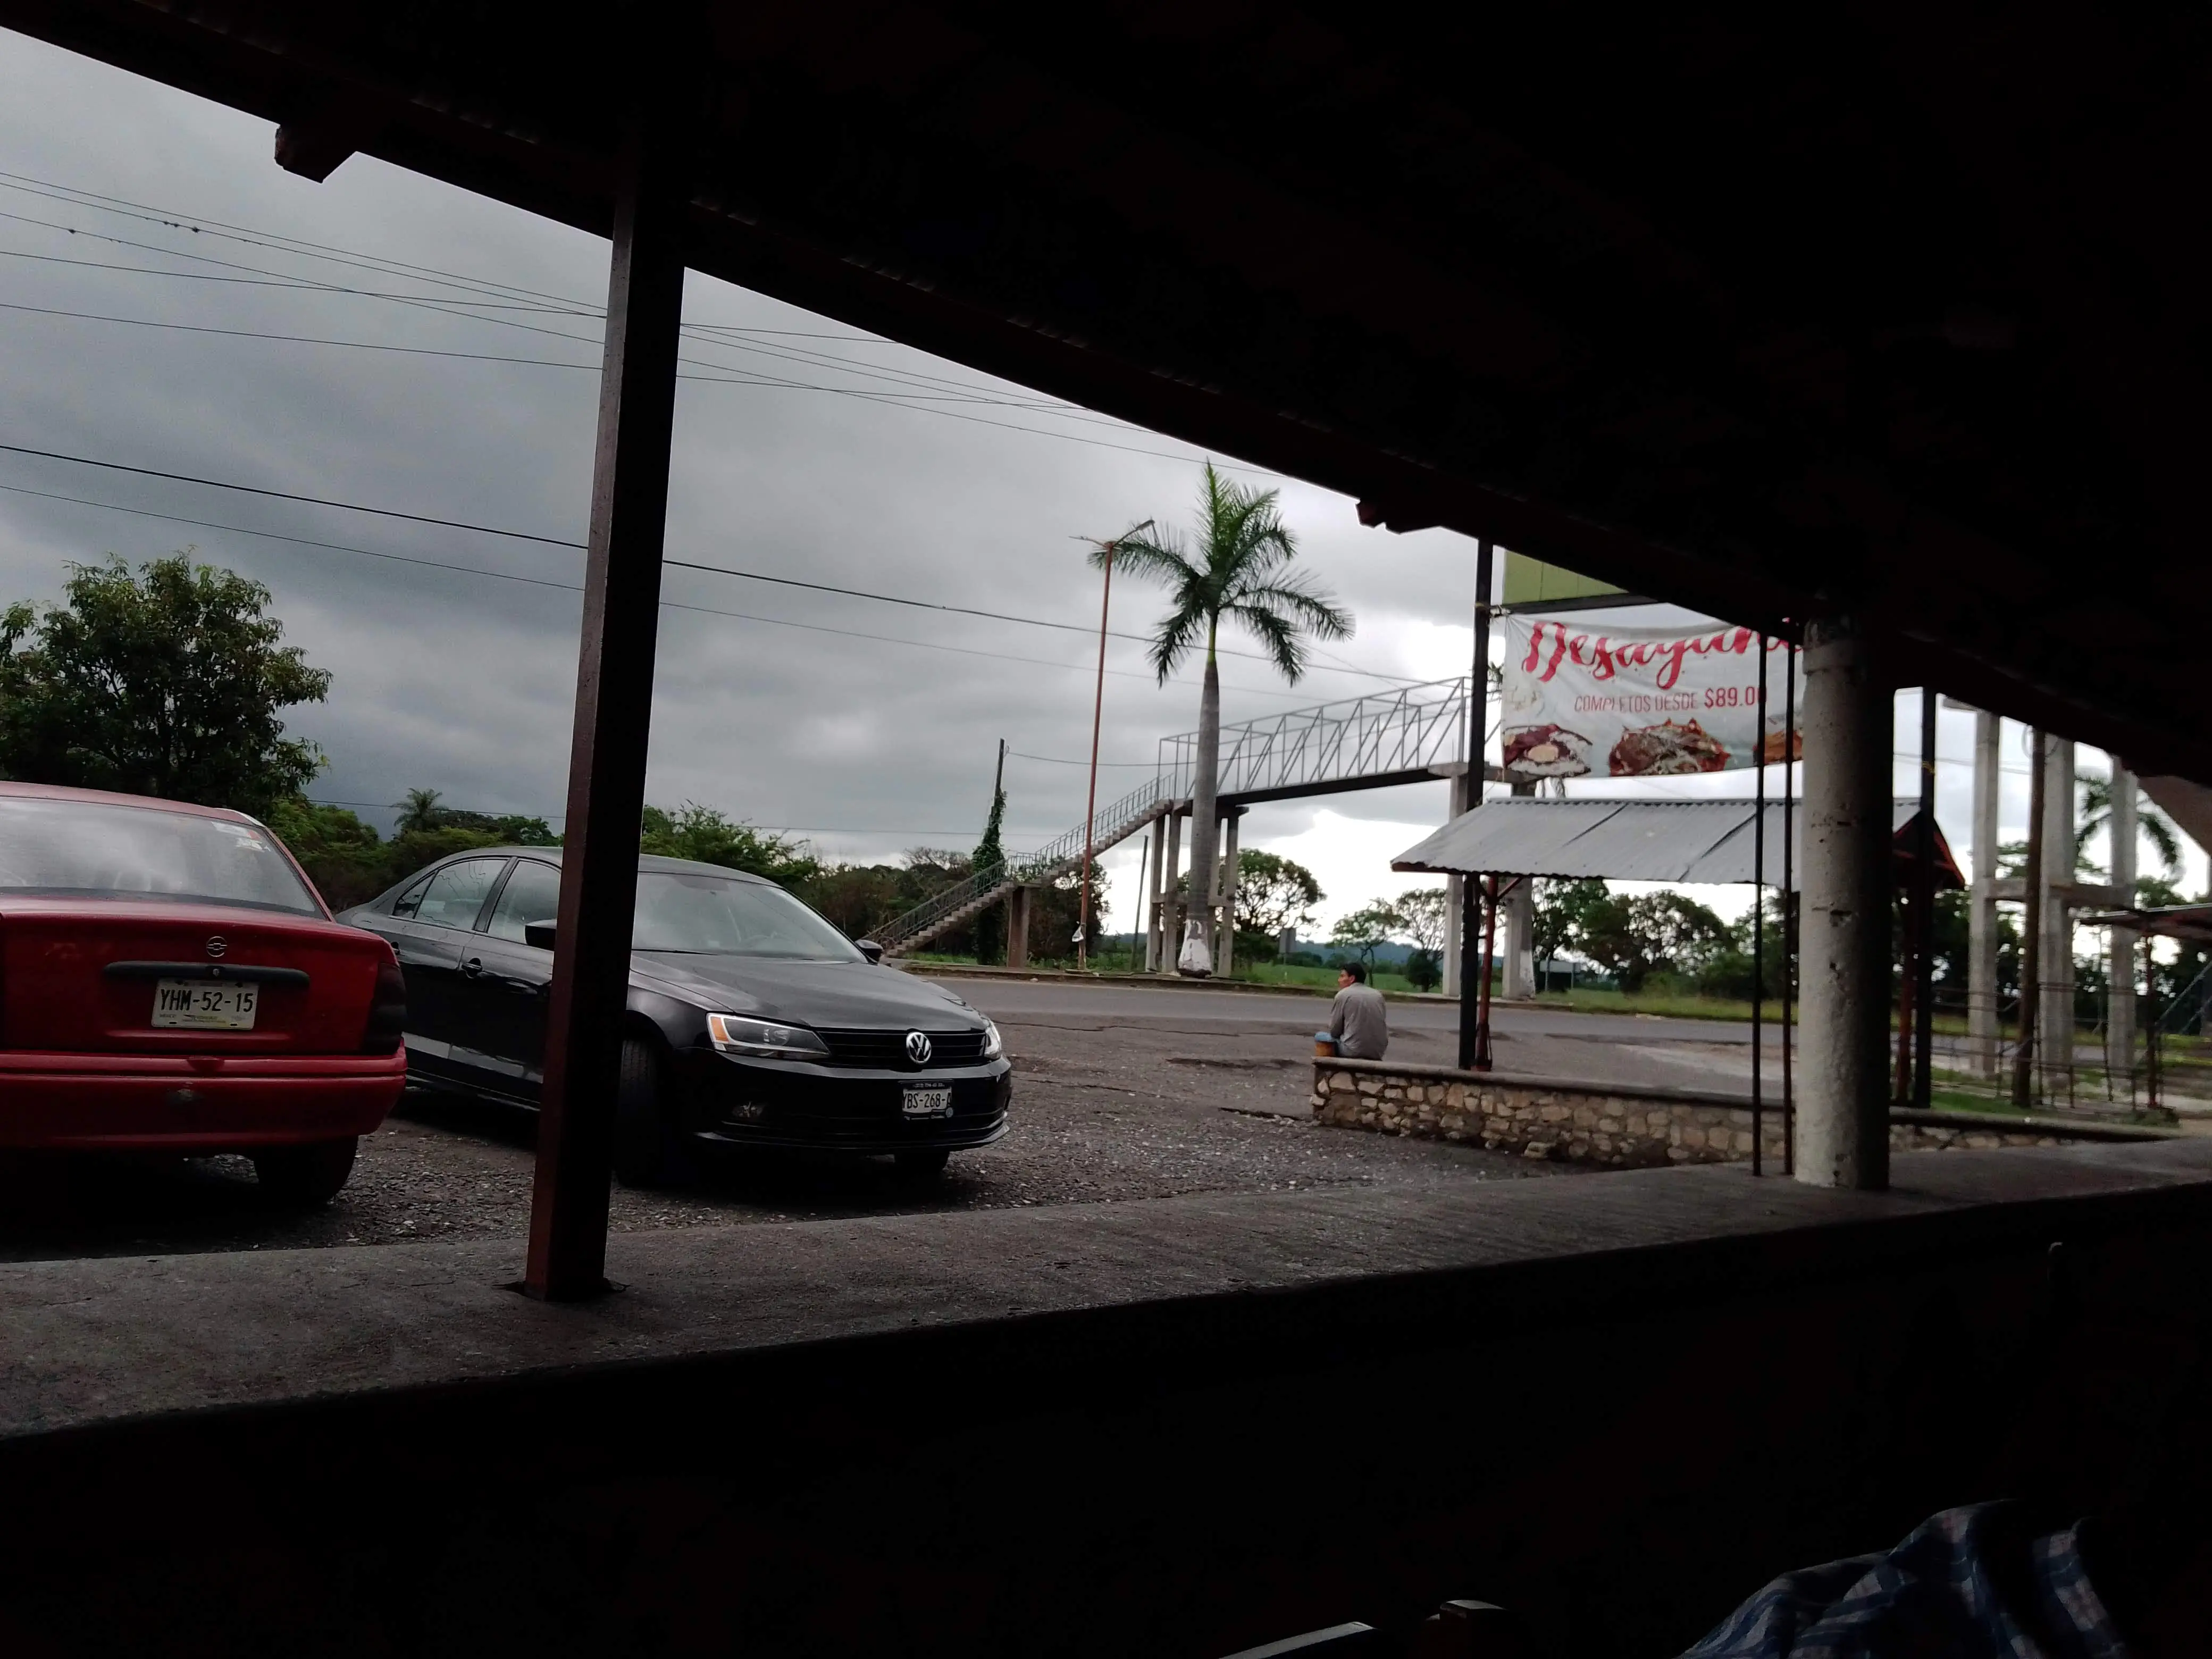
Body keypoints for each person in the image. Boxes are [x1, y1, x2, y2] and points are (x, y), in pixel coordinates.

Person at [1324, 961, 1390, 1060]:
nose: (1339, 980)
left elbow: (1334, 1031)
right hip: (1378, 1052)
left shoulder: (1343, 995)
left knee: (1320, 1037)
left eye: (1342, 976)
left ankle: (1327, 1074)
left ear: (1352, 979)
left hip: (1351, 1050)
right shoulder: (1378, 995)